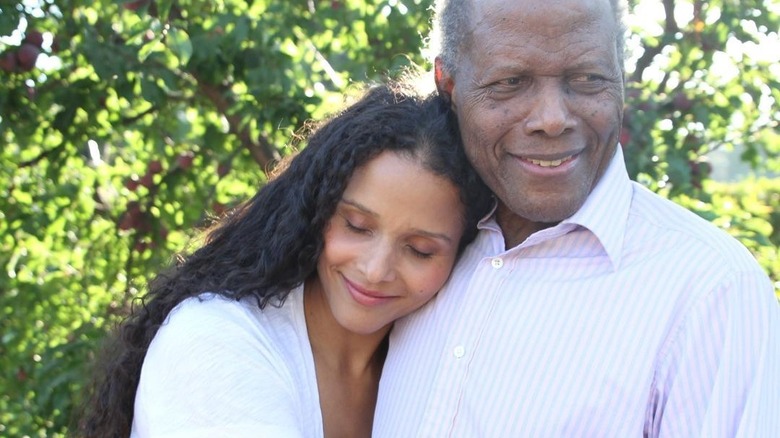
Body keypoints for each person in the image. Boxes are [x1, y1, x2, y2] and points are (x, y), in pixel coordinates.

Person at [373, 0, 780, 436]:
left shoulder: (709, 288)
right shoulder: (404, 254)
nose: (552, 120)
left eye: (587, 80)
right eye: (510, 82)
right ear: (448, 84)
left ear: (621, 78)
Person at [78, 79, 493, 438]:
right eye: (356, 226)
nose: (375, 269)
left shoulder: (433, 361)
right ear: (316, 209)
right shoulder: (214, 339)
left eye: (420, 250)